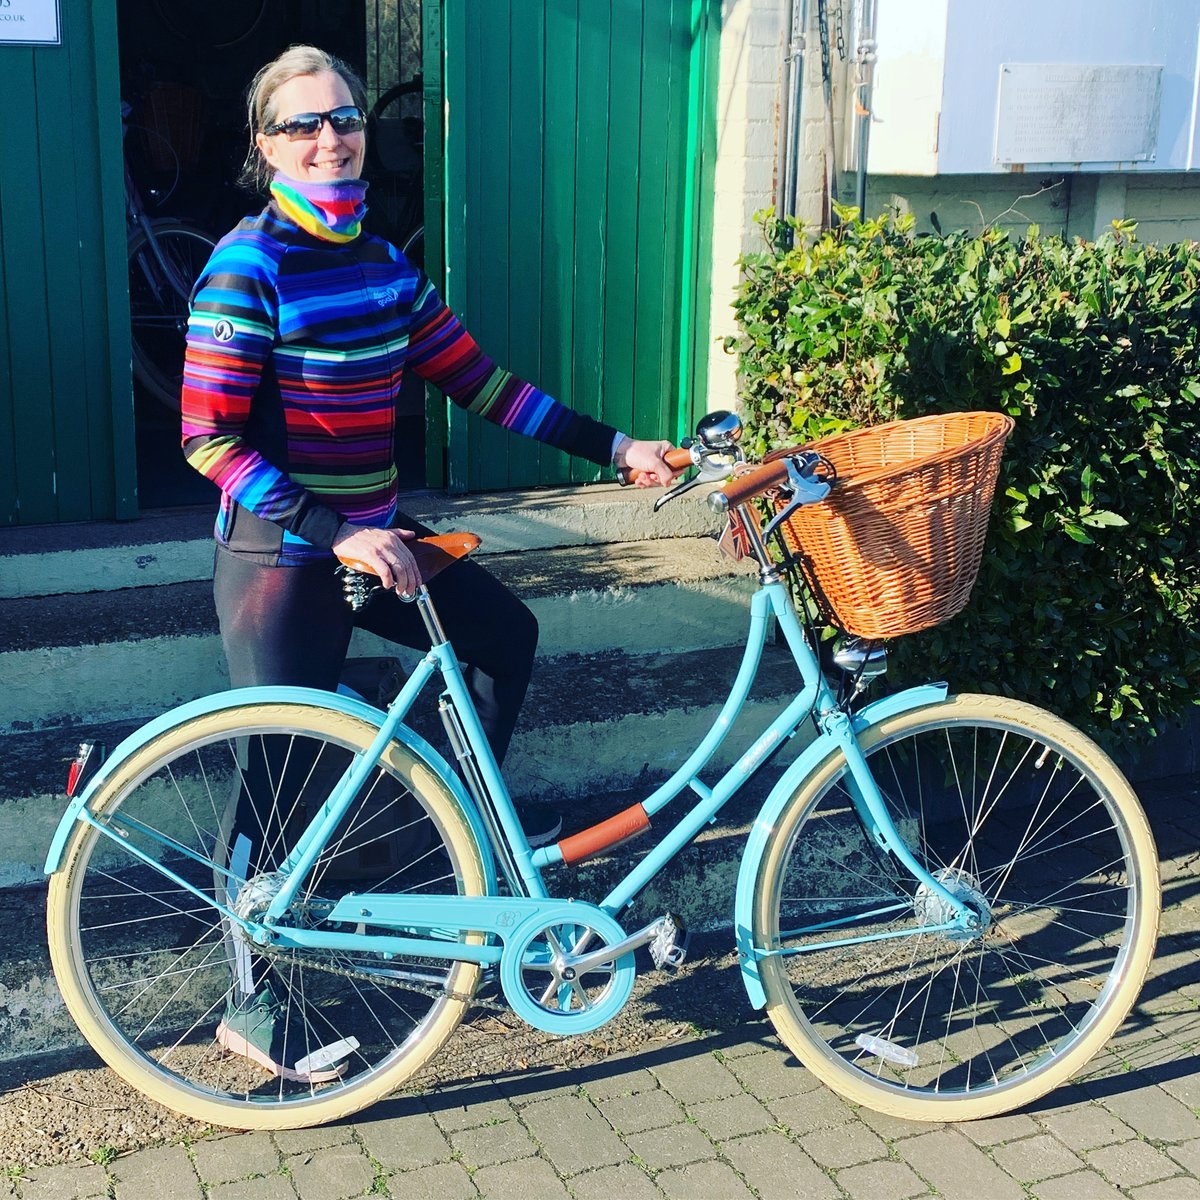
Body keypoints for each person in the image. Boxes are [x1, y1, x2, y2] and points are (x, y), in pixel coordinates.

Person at [180, 44, 679, 1081]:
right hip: (283, 555)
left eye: (344, 119)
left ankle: (452, 858)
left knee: (505, 637)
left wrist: (619, 445)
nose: (329, 138)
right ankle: (254, 1009)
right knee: (275, 779)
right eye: (302, 125)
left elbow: (482, 384)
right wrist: (336, 528)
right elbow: (210, 439)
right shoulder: (247, 263)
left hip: (377, 543)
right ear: (263, 146)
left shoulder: (382, 261)